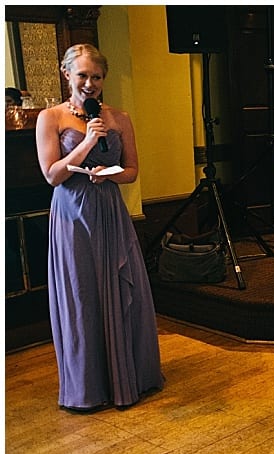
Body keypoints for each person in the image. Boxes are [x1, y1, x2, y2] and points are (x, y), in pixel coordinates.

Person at [35, 43, 163, 413]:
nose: (90, 83)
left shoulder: (119, 117)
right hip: (72, 216)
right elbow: (52, 175)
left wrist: (110, 175)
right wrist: (88, 141)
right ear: (67, 75)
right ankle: (89, 386)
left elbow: (133, 170)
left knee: (126, 293)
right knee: (82, 296)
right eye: (83, 76)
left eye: (97, 77)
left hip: (109, 211)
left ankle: (131, 378)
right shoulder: (51, 117)